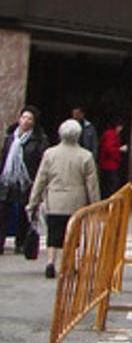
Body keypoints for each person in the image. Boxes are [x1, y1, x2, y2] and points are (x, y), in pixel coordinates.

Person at [27, 118, 100, 279]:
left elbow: (41, 179)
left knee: (53, 234)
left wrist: (33, 201)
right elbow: (92, 184)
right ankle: (69, 264)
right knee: (72, 235)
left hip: (54, 200)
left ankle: (51, 262)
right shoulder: (86, 156)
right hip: (76, 202)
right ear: (78, 135)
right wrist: (96, 204)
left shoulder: (50, 154)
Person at [0, 105, 48, 258]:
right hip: (7, 181)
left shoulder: (39, 140)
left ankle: (20, 243)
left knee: (24, 213)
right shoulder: (10, 138)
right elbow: (4, 158)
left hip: (27, 181)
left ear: (34, 122)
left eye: (29, 119)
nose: (26, 121)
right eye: (24, 117)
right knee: (3, 212)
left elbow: (42, 162)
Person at [99, 119, 128, 198]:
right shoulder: (111, 134)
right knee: (111, 185)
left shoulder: (111, 134)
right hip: (109, 164)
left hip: (109, 164)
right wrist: (120, 149)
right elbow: (108, 149)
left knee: (109, 184)